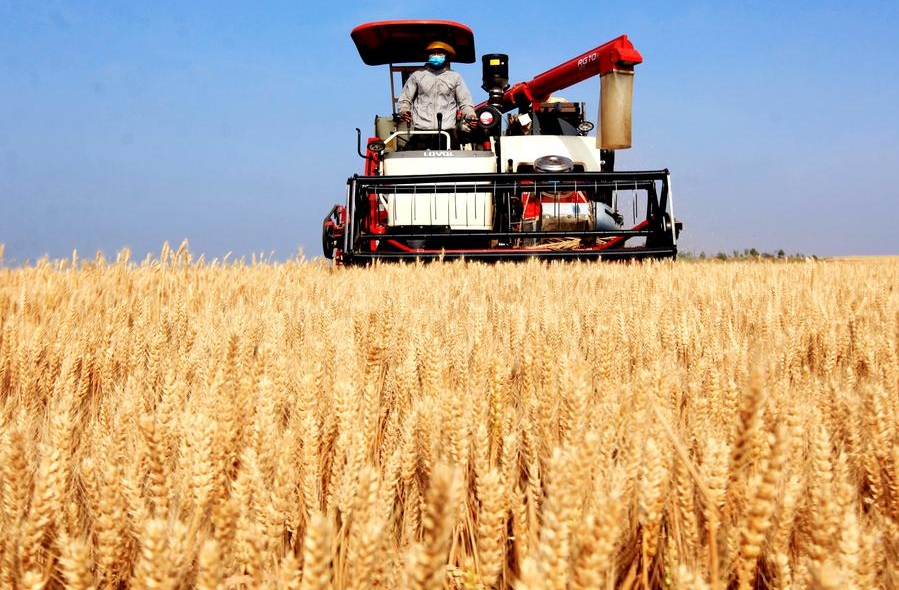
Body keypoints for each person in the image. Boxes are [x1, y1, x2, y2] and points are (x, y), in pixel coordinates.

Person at [396, 40, 478, 149]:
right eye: (433, 54)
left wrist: (470, 115)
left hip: (447, 131)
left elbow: (465, 102)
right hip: (421, 131)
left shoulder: (455, 77)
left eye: (440, 54)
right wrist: (403, 111)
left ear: (447, 56)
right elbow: (405, 99)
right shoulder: (417, 75)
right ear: (428, 56)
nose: (436, 56)